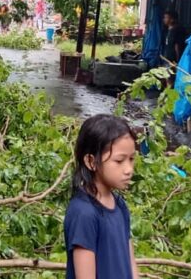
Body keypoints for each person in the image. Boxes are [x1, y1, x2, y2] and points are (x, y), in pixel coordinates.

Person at [64, 114, 140, 279]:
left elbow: (130, 262)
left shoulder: (120, 205)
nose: (129, 169)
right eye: (119, 161)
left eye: (132, 159)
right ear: (91, 161)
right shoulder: (84, 213)